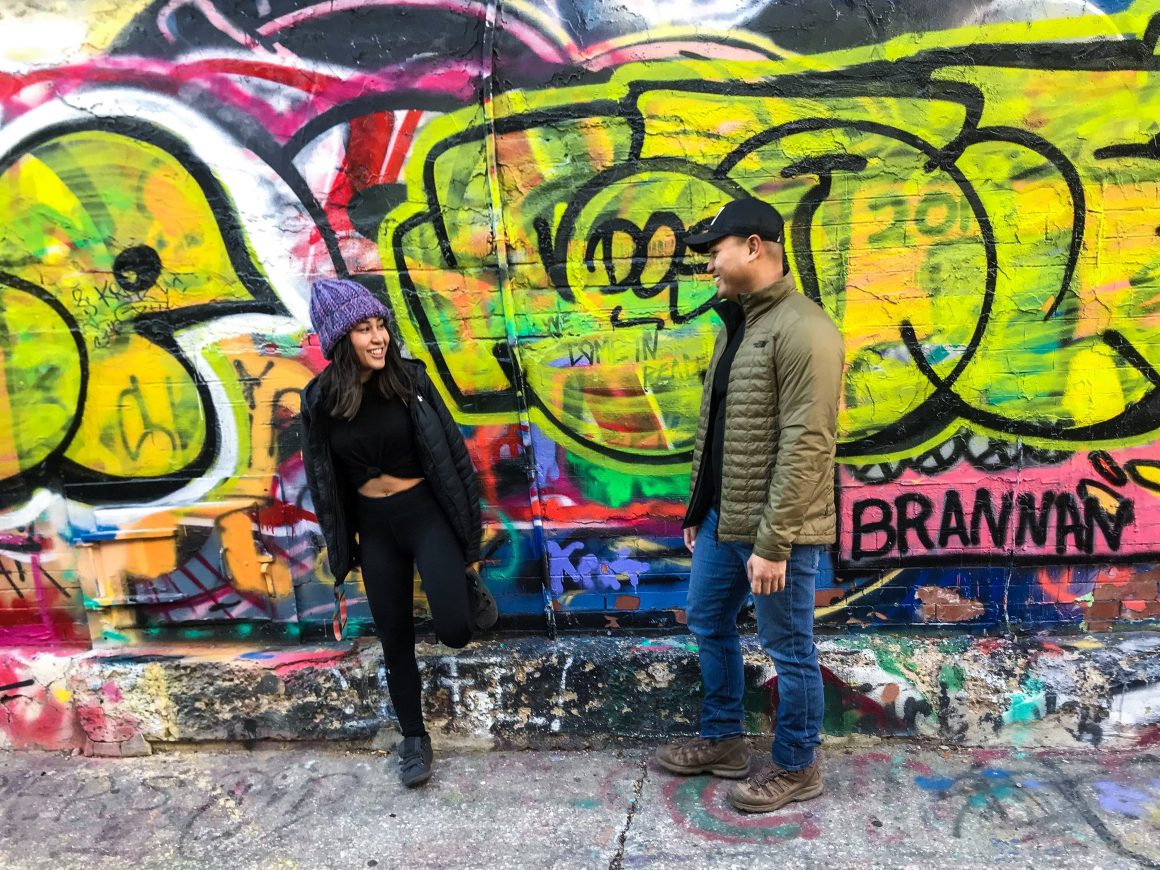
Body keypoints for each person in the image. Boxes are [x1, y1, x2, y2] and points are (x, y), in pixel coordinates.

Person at [655, 198, 844, 813]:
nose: (710, 264)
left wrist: (774, 542)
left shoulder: (804, 329)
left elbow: (808, 443)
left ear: (754, 247)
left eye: (716, 251)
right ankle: (724, 741)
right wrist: (695, 509)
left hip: (775, 533)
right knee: (707, 622)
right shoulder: (740, 325)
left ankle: (797, 766)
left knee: (790, 649)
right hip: (721, 520)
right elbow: (717, 430)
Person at [299, 277, 497, 788]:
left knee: (455, 630)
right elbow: (324, 480)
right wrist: (344, 550)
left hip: (425, 515)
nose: (378, 337)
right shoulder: (320, 401)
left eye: (380, 324)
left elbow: (454, 455)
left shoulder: (410, 381)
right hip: (374, 529)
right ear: (342, 340)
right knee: (395, 638)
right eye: (364, 329)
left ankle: (464, 583)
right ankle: (415, 738)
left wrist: (469, 545)